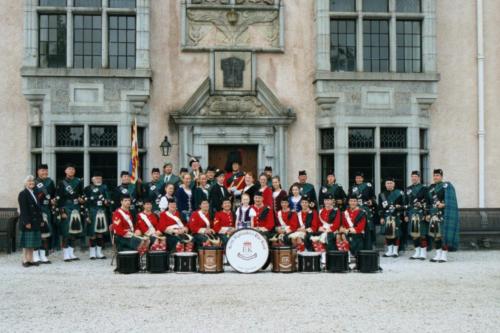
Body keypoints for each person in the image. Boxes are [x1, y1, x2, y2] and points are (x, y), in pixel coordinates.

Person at [427, 169, 460, 263]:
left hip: (444, 214)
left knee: (443, 235)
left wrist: (444, 204)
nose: (435, 177)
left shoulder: (446, 186)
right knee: (436, 235)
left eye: (437, 175)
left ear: (441, 176)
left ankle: (444, 255)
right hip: (434, 214)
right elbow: (429, 202)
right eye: (434, 175)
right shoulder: (431, 187)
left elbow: (451, 200)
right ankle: (438, 254)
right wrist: (429, 214)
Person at [56, 163, 84, 262]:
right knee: (66, 231)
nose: (71, 171)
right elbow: (58, 198)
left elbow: (82, 194)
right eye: (69, 169)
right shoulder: (61, 183)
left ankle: (72, 253)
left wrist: (81, 199)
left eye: (73, 169)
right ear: (65, 171)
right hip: (66, 207)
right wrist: (61, 211)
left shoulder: (78, 181)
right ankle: (66, 254)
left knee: (74, 231)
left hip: (76, 207)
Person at [84, 171, 110, 260]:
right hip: (92, 212)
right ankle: (92, 252)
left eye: (100, 178)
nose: (99, 180)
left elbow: (108, 199)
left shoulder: (104, 187)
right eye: (97, 178)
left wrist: (107, 201)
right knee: (92, 233)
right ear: (92, 179)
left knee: (100, 233)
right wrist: (87, 215)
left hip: (101, 211)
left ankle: (99, 252)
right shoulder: (88, 188)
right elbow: (85, 203)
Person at [18, 175, 43, 267]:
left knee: (32, 243)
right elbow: (23, 209)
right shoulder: (23, 194)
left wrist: (41, 220)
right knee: (26, 243)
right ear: (25, 184)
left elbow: (38, 209)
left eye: (32, 182)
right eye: (29, 182)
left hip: (35, 221)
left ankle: (31, 259)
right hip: (28, 222)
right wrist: (27, 222)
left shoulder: (34, 193)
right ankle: (24, 260)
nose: (31, 183)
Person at [33, 164, 56, 263]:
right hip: (37, 210)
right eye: (42, 171)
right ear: (38, 171)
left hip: (47, 209)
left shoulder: (50, 182)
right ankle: (35, 255)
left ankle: (43, 255)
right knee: (37, 233)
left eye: (46, 171)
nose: (44, 173)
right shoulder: (33, 182)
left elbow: (54, 195)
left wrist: (54, 200)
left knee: (46, 233)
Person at [405, 171, 430, 260]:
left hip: (421, 213)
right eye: (412, 176)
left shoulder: (424, 188)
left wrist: (426, 213)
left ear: (419, 178)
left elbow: (428, 201)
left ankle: (423, 253)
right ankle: (417, 252)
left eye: (415, 176)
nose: (413, 178)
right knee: (414, 234)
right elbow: (406, 203)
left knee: (422, 234)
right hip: (411, 212)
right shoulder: (408, 189)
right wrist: (406, 214)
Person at [348, 172, 377, 250]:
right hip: (355, 209)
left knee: (369, 226)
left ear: (362, 178)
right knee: (356, 225)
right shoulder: (352, 187)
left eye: (360, 178)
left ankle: (370, 244)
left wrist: (371, 201)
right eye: (357, 178)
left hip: (366, 209)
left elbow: (373, 197)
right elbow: (349, 199)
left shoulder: (368, 185)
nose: (358, 179)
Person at [378, 177, 404, 258]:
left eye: (390, 183)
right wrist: (381, 217)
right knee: (388, 234)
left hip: (396, 216)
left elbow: (404, 205)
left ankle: (395, 251)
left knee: (396, 234)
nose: (389, 185)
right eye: (387, 183)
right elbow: (380, 207)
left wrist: (399, 207)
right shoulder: (381, 195)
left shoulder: (400, 193)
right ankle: (389, 251)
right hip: (386, 216)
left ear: (394, 184)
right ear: (385, 185)